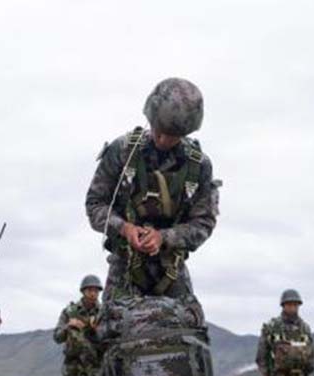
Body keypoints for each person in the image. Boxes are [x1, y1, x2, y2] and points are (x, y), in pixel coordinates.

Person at [85, 77, 220, 302]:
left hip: (171, 270)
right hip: (124, 268)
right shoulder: (123, 151)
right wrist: (124, 228)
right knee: (112, 332)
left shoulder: (198, 166)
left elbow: (204, 222)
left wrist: (164, 237)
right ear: (151, 118)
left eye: (173, 135)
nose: (164, 139)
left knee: (188, 331)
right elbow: (95, 204)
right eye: (160, 130)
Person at [256, 289, 314, 376]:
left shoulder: (305, 328)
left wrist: (303, 375)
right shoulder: (272, 327)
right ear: (283, 305)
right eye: (289, 304)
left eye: (295, 305)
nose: (292, 307)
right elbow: (261, 356)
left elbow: (311, 355)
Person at [53, 275, 104, 376]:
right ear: (83, 291)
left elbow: (110, 338)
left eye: (96, 290)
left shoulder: (103, 313)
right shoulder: (70, 312)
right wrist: (69, 326)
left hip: (95, 363)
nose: (93, 293)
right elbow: (57, 337)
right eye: (90, 290)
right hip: (73, 363)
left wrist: (97, 329)